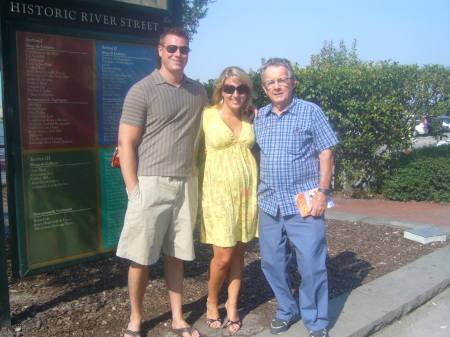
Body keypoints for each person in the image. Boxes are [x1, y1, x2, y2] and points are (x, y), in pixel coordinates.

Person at [116, 27, 208, 337]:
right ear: (160, 50)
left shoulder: (199, 92)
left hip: (186, 183)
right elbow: (125, 143)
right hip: (150, 183)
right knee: (140, 258)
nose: (178, 54)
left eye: (183, 49)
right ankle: (135, 318)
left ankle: (178, 317)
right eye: (171, 48)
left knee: (176, 254)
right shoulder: (141, 90)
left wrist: (248, 111)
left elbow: (216, 119)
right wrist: (134, 190)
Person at [253, 58, 339, 337]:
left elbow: (326, 152)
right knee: (272, 262)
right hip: (269, 203)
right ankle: (287, 309)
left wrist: (323, 194)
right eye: (271, 82)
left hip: (305, 203)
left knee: (312, 265)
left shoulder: (310, 112)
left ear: (292, 82)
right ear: (264, 88)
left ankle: (316, 322)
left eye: (282, 79)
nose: (277, 86)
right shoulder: (259, 117)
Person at [200, 67, 258, 332]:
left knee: (238, 253)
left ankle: (232, 304)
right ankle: (212, 301)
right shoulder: (207, 115)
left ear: (247, 91)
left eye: (241, 88)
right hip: (218, 195)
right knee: (222, 256)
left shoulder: (250, 116)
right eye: (230, 88)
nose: (236, 93)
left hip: (246, 195)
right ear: (221, 90)